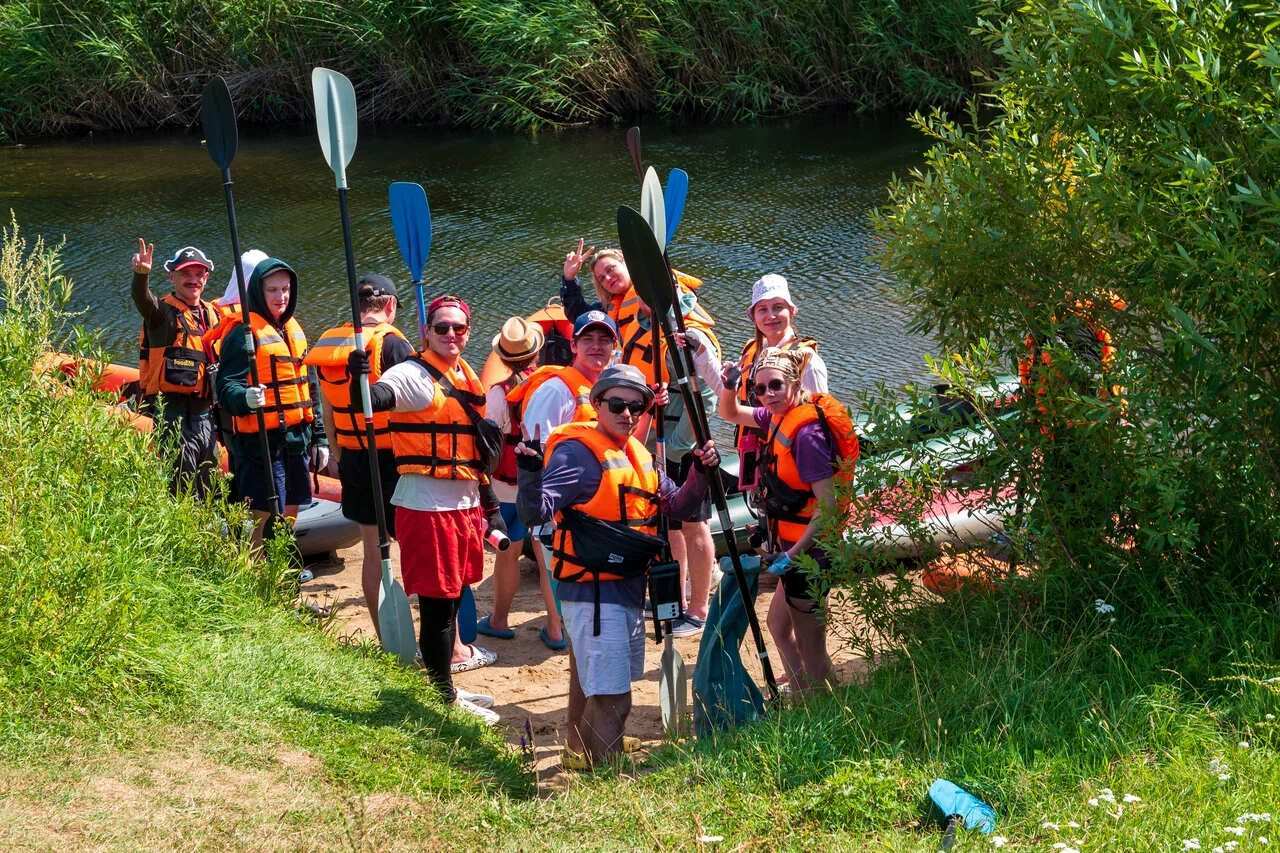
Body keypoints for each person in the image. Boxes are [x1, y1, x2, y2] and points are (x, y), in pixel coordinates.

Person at [516, 364, 720, 766]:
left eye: (636, 407)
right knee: (613, 699)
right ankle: (607, 778)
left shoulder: (637, 453)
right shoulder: (577, 453)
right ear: (596, 404)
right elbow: (534, 512)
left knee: (592, 684)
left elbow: (677, 505)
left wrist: (699, 472)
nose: (627, 414)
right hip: (593, 594)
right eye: (617, 404)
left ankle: (580, 752)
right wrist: (529, 472)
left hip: (624, 587)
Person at [350, 294, 501, 724]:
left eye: (459, 328)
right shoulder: (414, 376)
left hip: (462, 505)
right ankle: (444, 700)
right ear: (425, 333)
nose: (451, 335)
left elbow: (473, 451)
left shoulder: (464, 376)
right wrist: (359, 380)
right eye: (442, 328)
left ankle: (445, 685)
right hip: (428, 508)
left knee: (452, 601)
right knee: (437, 606)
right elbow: (377, 398)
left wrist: (489, 507)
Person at [717, 347, 858, 693]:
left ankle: (825, 707)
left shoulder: (807, 437)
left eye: (776, 385)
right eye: (760, 389)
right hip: (791, 549)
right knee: (778, 626)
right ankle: (801, 693)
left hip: (811, 553)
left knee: (813, 648)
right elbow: (730, 412)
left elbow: (827, 507)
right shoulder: (775, 416)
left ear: (795, 384)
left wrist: (792, 555)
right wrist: (729, 384)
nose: (767, 395)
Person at [304, 274, 413, 638]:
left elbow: (330, 411)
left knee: (373, 550)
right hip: (395, 459)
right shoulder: (394, 345)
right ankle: (430, 635)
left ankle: (385, 637)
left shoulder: (333, 344)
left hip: (352, 456)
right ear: (390, 307)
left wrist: (336, 454)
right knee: (412, 546)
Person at [505, 309, 621, 652]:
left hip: (597, 505)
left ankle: (569, 632)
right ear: (573, 345)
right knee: (559, 573)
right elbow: (535, 446)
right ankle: (560, 632)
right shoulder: (557, 390)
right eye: (588, 339)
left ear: (615, 346)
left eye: (605, 340)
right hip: (560, 506)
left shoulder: (607, 387)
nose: (597, 346)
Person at [215, 257, 329, 564]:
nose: (281, 297)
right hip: (260, 443)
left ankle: (284, 577)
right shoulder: (243, 334)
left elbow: (310, 387)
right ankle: (254, 576)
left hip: (296, 438)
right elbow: (225, 386)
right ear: (257, 292)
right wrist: (245, 397)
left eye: (286, 289)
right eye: (273, 290)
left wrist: (320, 438)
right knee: (263, 512)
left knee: (292, 507)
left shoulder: (293, 331)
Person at [476, 316, 565, 647]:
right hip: (543, 488)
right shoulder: (552, 387)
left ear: (503, 358)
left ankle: (499, 620)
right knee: (546, 561)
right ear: (537, 354)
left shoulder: (498, 395)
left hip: (507, 490)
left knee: (508, 555)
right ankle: (556, 630)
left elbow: (490, 441)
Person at [130, 240, 221, 497]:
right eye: (185, 274)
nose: (193, 279)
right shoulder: (162, 314)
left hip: (205, 415)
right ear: (172, 276)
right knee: (180, 490)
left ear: (206, 277)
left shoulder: (213, 314)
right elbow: (142, 299)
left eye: (199, 273)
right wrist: (141, 275)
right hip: (173, 416)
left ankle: (208, 533)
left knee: (209, 488)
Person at [731, 274, 828, 492]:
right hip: (756, 456)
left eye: (778, 307)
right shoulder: (753, 352)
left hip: (791, 463)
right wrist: (700, 353)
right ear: (754, 316)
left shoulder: (807, 361)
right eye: (762, 309)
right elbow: (733, 403)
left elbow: (820, 421)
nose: (771, 315)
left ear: (792, 311)